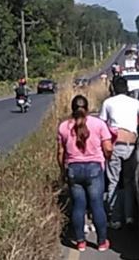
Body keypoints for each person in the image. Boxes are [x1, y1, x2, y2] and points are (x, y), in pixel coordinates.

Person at [57, 95, 113, 252]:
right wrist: (106, 159)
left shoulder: (63, 127)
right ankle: (102, 242)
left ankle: (80, 241)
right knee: (97, 205)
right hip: (94, 168)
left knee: (78, 206)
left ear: (72, 108)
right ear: (87, 109)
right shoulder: (98, 124)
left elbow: (60, 152)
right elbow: (108, 148)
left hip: (74, 169)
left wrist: (63, 171)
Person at [100, 77, 139, 229]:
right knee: (128, 182)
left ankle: (115, 217)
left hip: (115, 144)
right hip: (131, 145)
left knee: (113, 181)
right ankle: (130, 216)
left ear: (113, 88)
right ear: (126, 88)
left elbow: (102, 123)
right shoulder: (135, 103)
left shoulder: (108, 103)